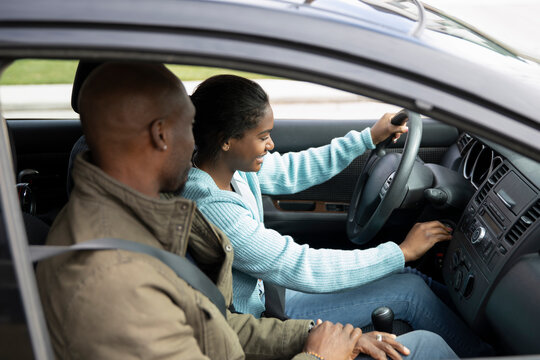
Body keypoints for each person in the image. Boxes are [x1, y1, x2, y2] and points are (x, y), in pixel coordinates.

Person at [36, 62, 457, 360]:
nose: (194, 138)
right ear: (162, 135)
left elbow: (217, 325)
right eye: (190, 126)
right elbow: (287, 271)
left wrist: (311, 335)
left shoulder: (136, 216)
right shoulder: (113, 276)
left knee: (411, 290)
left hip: (259, 315)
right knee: (427, 343)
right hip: (267, 311)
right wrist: (318, 354)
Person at [182, 74, 493, 358]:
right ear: (226, 140)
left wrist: (367, 138)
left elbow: (295, 169)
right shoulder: (212, 207)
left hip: (272, 293)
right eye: (263, 136)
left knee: (410, 283)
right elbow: (302, 266)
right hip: (264, 318)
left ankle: (484, 341)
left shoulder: (229, 168)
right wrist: (401, 252)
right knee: (422, 322)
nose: (271, 144)